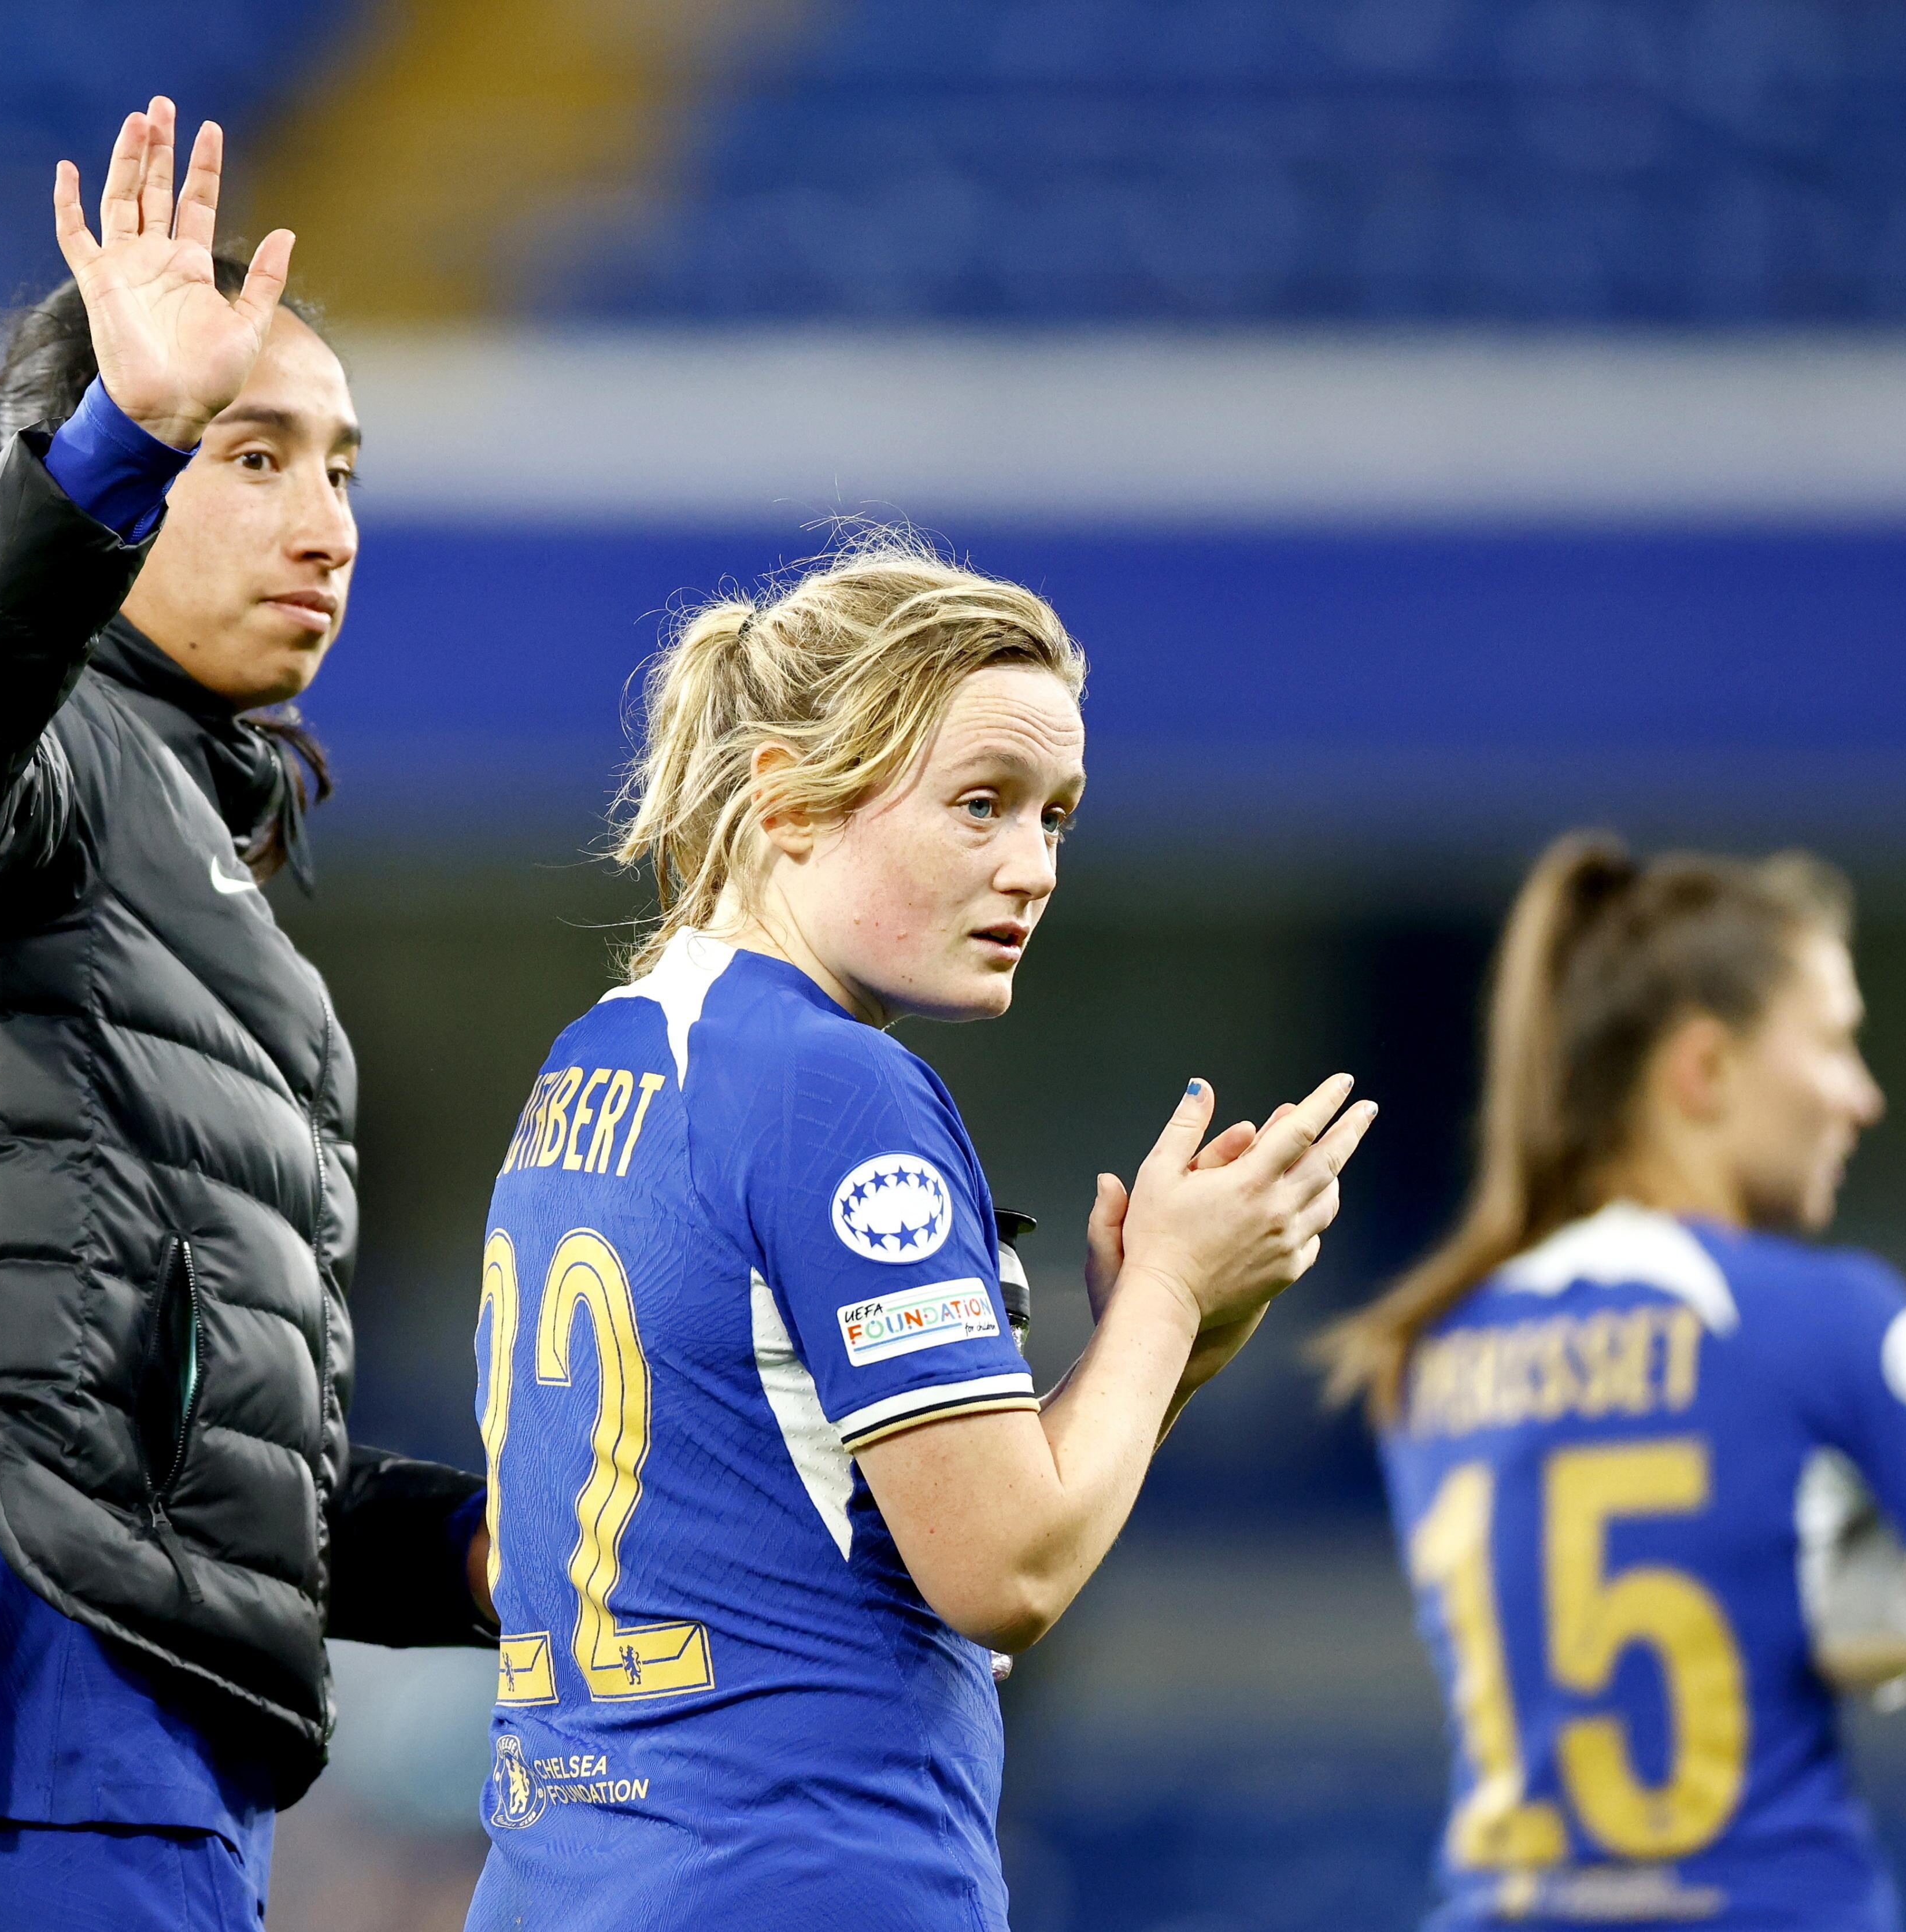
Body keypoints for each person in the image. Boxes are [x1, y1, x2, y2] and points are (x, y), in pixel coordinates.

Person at [0, 99, 494, 1929]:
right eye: (255, 455)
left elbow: (178, 1441)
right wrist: (114, 444)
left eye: (343, 468)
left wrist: (480, 1545)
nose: (325, 519)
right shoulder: (40, 743)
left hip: (138, 1757)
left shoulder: (195, 854)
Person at [462, 543, 1378, 1927]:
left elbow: (856, 1524)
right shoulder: (835, 1086)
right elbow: (1002, 1570)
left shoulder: (594, 1063)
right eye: (979, 805)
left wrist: (1168, 1345)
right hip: (797, 1880)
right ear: (785, 797)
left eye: (1055, 817)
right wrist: (1171, 1296)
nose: (1033, 866)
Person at [1314, 832, 1906, 1932]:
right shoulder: (1832, 1317)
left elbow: (1717, 1619)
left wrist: (1865, 1512)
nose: (1864, 1096)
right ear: (1704, 1070)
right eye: (1836, 1042)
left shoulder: (1431, 1350)